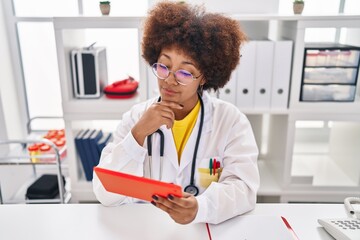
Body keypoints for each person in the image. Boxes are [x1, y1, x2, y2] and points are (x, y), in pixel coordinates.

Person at [93, 1, 260, 225]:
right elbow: (105, 193)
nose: (170, 80)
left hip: (202, 231)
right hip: (145, 230)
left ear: (205, 77)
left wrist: (201, 208)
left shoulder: (230, 121)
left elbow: (244, 189)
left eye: (185, 72)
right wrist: (138, 134)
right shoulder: (135, 118)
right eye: (163, 66)